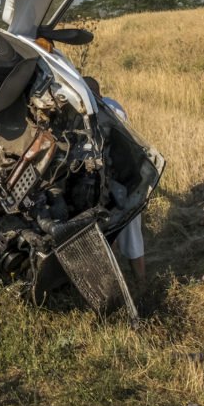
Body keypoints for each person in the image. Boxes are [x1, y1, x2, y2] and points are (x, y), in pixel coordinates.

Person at [84, 76, 146, 282]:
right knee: (115, 235)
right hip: (113, 184)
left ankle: (138, 283)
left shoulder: (109, 108)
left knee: (128, 234)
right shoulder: (106, 108)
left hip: (123, 183)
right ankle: (127, 281)